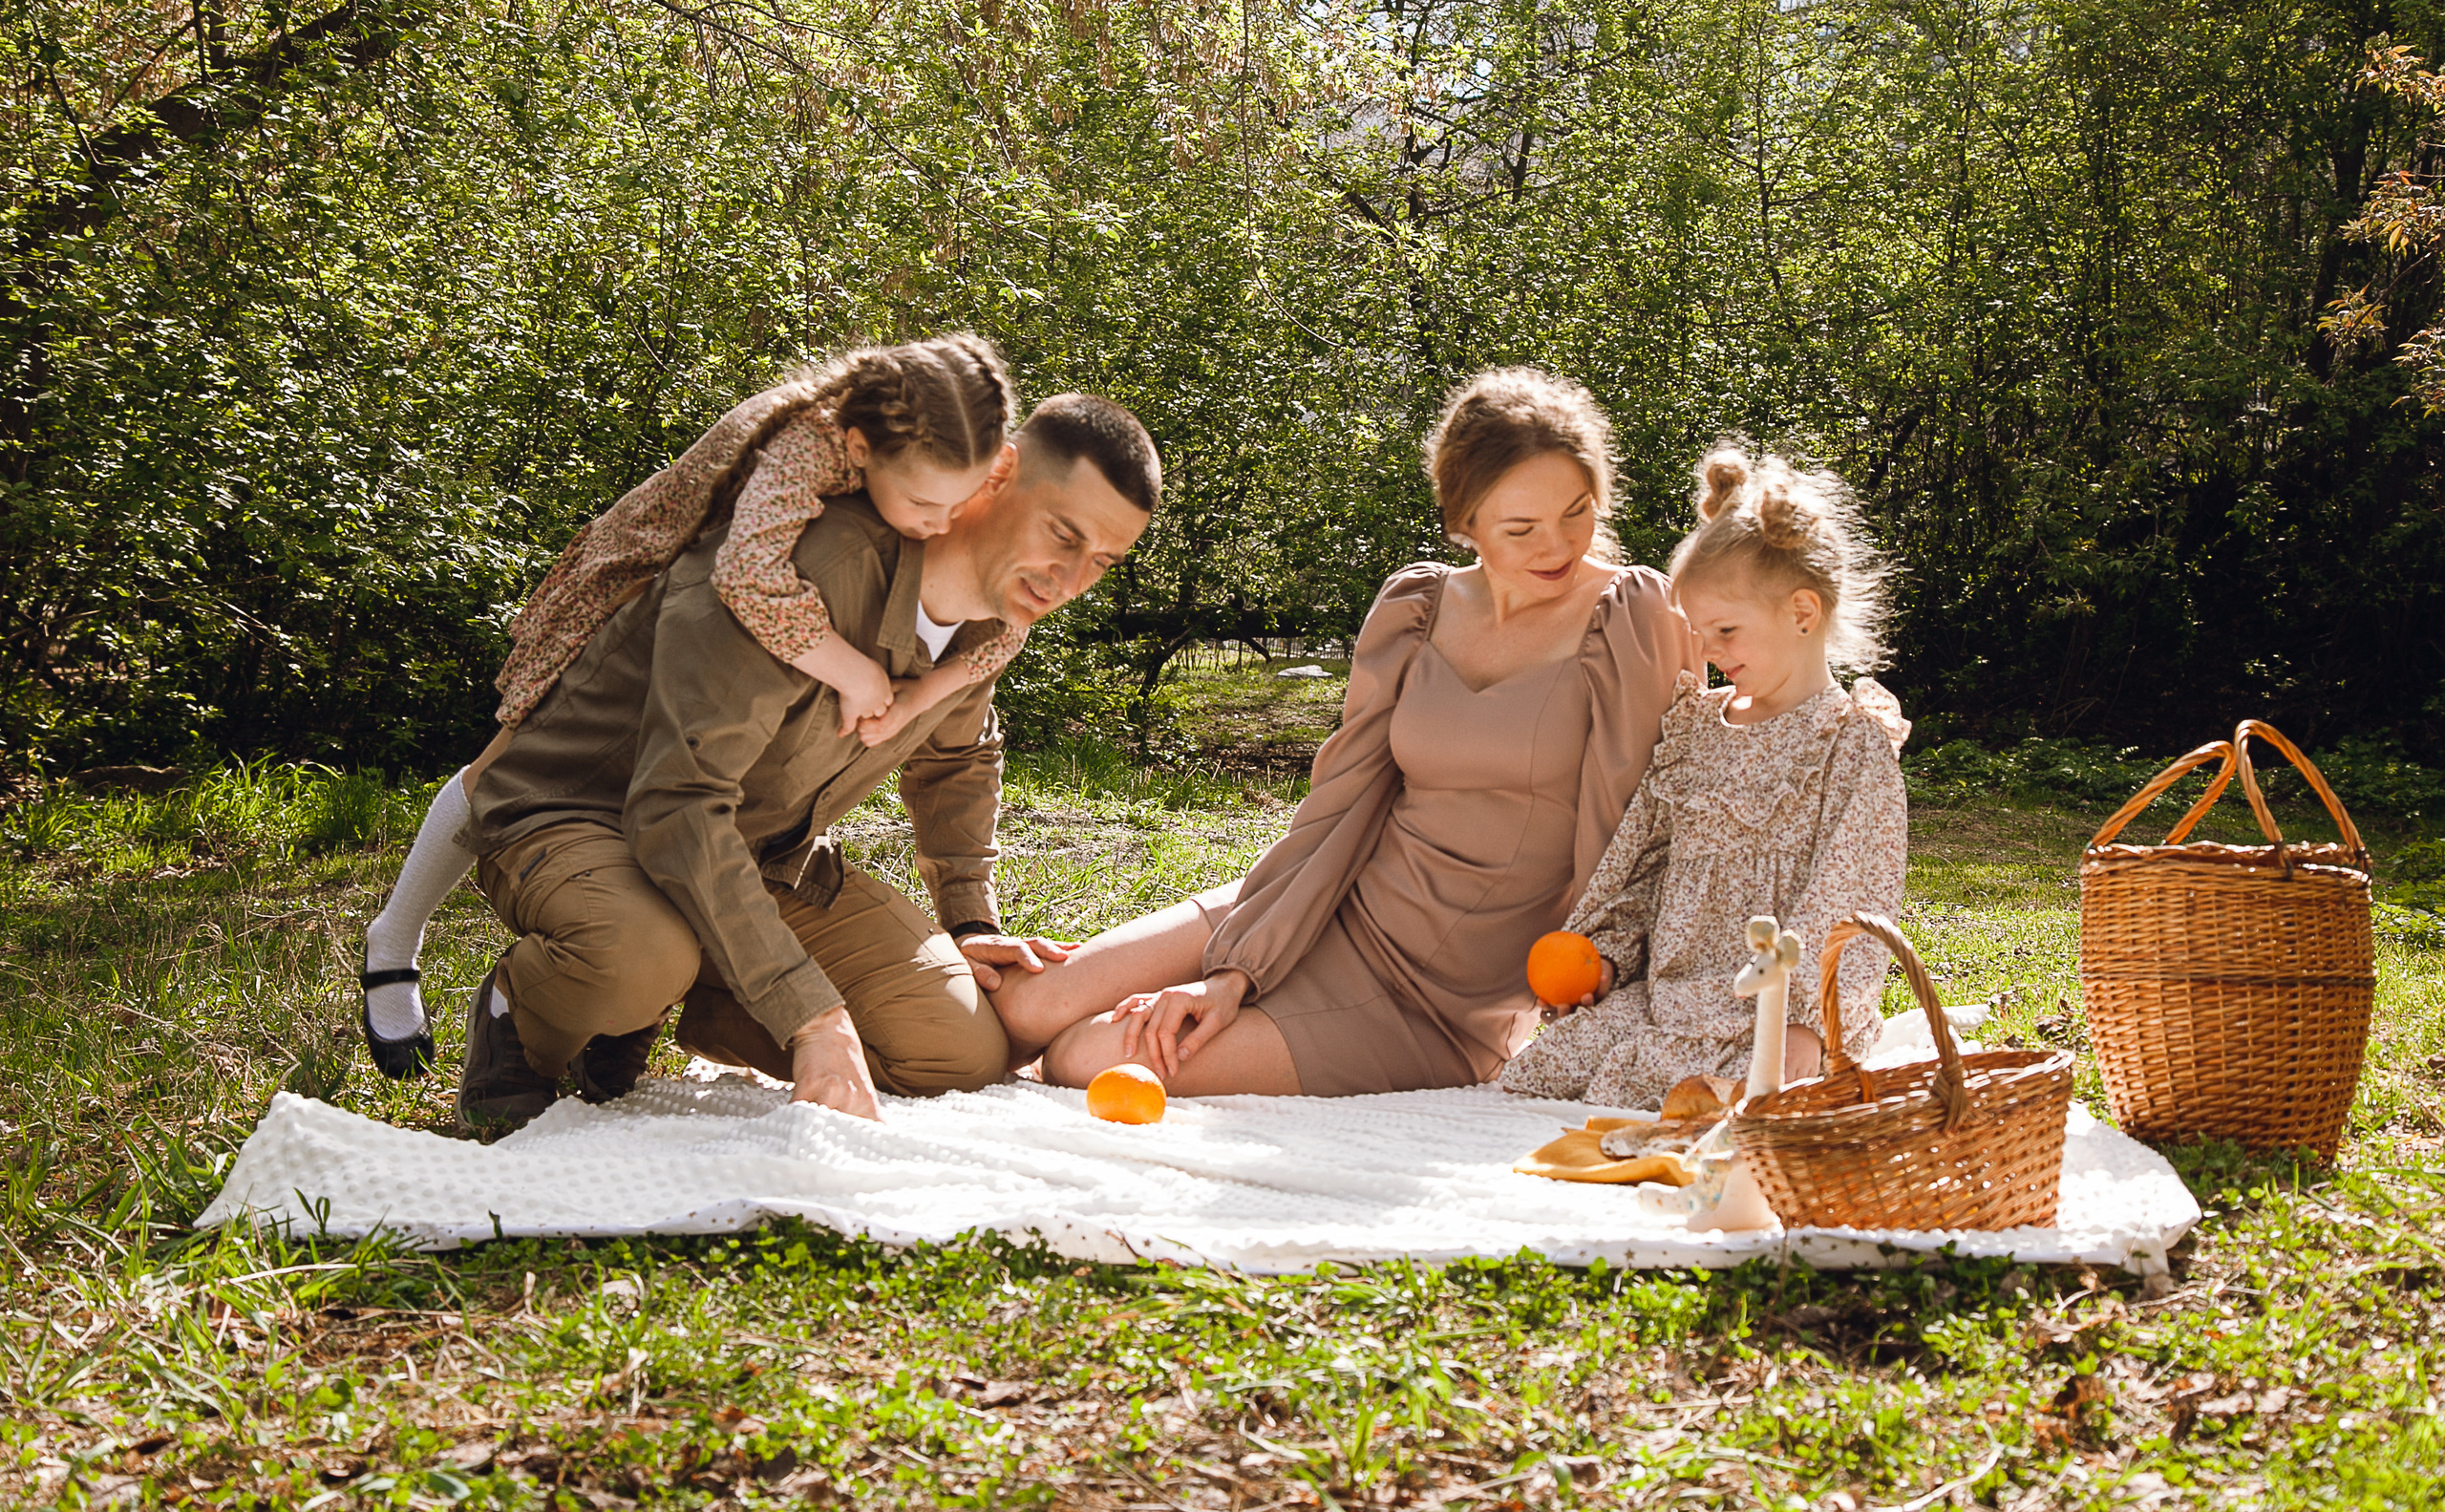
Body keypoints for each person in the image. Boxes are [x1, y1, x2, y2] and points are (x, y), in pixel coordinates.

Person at [442, 390, 1159, 1129]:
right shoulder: (810, 564)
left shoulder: (997, 619)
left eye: (1101, 561)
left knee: (956, 1050)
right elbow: (676, 805)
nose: (1070, 580)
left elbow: (959, 758)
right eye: (1063, 535)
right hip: (591, 819)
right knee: (633, 955)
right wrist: (809, 1014)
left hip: (756, 855)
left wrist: (969, 922)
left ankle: (666, 997)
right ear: (998, 472)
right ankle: (525, 1018)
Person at [989, 368, 1702, 1096]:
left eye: (1577, 512)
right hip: (1323, 896)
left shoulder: (1633, 615)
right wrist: (1238, 970)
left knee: (1084, 1055)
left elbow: (1648, 826)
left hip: (1436, 998)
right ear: (1465, 520)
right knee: (1028, 1007)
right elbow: (1340, 802)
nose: (1557, 545)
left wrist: (1608, 968)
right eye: (1521, 528)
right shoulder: (1417, 605)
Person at [357, 336, 1022, 1081]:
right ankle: (395, 939)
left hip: (735, 621)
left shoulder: (910, 463)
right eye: (925, 505)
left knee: (692, 807)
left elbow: (991, 650)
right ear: (861, 449)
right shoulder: (809, 447)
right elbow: (747, 575)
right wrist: (855, 671)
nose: (941, 525)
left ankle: (654, 998)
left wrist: (930, 686)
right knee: (510, 760)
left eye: (959, 504)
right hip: (646, 585)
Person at [1497, 444, 1910, 1110]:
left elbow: (1851, 890)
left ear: (1803, 613)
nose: (1709, 651)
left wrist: (1806, 1019)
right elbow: (1647, 861)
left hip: (1771, 1006)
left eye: (1725, 630)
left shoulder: (1847, 740)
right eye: (1699, 632)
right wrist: (1607, 956)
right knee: (1544, 1071)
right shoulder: (1697, 728)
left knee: (1733, 1095)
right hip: (1670, 995)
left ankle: (1751, 1076)